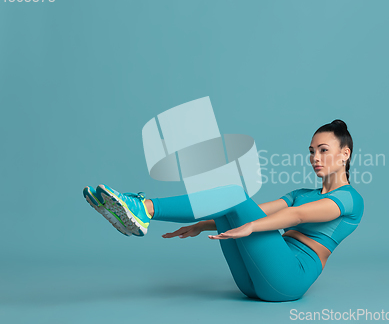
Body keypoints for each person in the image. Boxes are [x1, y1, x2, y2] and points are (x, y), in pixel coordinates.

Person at [83, 119, 364, 302]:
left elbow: (298, 216)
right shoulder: (300, 194)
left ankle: (144, 208)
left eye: (323, 150)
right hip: (253, 281)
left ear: (345, 154)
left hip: (289, 279)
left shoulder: (351, 199)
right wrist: (204, 223)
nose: (315, 157)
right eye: (312, 150)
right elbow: (256, 210)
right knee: (226, 202)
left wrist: (252, 227)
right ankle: (136, 213)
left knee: (231, 193)